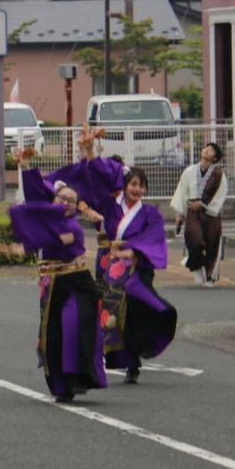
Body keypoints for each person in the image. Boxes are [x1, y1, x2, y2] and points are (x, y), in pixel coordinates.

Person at [5, 147, 107, 403]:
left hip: (76, 283)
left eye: (72, 201)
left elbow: (58, 239)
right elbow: (35, 199)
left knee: (71, 328)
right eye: (62, 198)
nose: (67, 203)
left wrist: (25, 245)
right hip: (51, 284)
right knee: (51, 333)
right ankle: (60, 384)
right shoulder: (49, 220)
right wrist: (26, 168)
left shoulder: (73, 228)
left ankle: (75, 379)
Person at [94, 157, 178, 384]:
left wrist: (134, 251)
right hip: (110, 264)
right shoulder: (111, 206)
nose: (137, 189)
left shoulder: (150, 213)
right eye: (133, 184)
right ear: (124, 185)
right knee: (111, 314)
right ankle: (119, 359)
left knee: (132, 314)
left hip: (137, 268)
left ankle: (133, 360)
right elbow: (95, 188)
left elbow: (154, 238)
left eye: (141, 186)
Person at [171, 142, 228, 287]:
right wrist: (180, 213)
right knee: (194, 240)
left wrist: (202, 204)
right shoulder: (189, 171)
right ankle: (196, 265)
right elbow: (182, 192)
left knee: (211, 243)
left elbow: (220, 195)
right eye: (206, 147)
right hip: (193, 212)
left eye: (212, 150)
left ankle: (209, 277)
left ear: (215, 158)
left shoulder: (219, 174)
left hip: (211, 214)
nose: (207, 150)